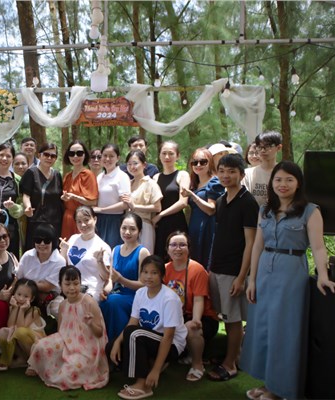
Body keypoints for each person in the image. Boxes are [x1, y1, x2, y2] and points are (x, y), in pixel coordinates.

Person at [241, 161, 335, 400]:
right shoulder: (265, 210)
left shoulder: (310, 211)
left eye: (289, 179)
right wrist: (252, 280)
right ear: (272, 183)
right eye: (278, 179)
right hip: (264, 272)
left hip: (291, 274)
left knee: (284, 330)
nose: (283, 184)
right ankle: (267, 383)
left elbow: (318, 247)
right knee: (263, 328)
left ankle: (280, 389)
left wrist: (323, 276)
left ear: (298, 183)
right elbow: (257, 246)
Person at [207, 154, 258, 382]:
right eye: (222, 171)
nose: (226, 175)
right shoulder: (221, 200)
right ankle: (234, 355)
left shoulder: (248, 203)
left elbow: (251, 243)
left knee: (233, 319)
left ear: (242, 174)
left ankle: (230, 365)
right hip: (217, 266)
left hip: (233, 270)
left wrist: (241, 276)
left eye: (231, 171)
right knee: (225, 316)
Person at [110, 255, 187, 400]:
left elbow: (169, 336)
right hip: (149, 338)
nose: (148, 276)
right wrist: (117, 342)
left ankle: (143, 384)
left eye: (154, 273)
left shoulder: (170, 298)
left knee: (134, 334)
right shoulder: (140, 293)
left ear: (162, 276)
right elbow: (133, 321)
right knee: (112, 346)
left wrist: (156, 371)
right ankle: (148, 364)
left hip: (172, 344)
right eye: (145, 272)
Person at [27, 266, 109, 391]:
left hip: (87, 348)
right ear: (60, 285)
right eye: (67, 284)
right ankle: (46, 365)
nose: (72, 288)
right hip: (67, 342)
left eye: (76, 283)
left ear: (80, 283)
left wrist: (91, 323)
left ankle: (64, 367)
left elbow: (99, 333)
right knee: (40, 346)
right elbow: (60, 332)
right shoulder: (63, 305)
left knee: (67, 375)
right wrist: (56, 347)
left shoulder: (89, 302)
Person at [164, 232, 219, 382]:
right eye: (173, 245)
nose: (178, 248)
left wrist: (196, 320)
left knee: (191, 327)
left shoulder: (197, 269)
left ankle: (197, 364)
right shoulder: (164, 269)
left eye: (182, 245)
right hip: (177, 316)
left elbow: (199, 300)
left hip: (202, 316)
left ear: (189, 249)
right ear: (167, 249)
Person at [100, 212, 150, 344]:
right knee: (103, 302)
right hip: (117, 293)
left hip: (135, 296)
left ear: (139, 231)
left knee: (114, 302)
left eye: (132, 229)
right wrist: (105, 291)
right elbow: (111, 279)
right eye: (124, 228)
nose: (127, 232)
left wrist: (122, 280)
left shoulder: (142, 252)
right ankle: (104, 344)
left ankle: (119, 344)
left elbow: (145, 284)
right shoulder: (115, 249)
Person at [181, 148, 224, 268]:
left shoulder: (214, 182)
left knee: (205, 264)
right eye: (195, 162)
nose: (198, 165)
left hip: (207, 228)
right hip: (193, 228)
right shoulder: (194, 183)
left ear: (210, 163)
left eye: (203, 162)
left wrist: (193, 196)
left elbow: (211, 209)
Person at [59, 206, 112, 302]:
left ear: (95, 219)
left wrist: (100, 261)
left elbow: (106, 277)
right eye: (79, 221)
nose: (83, 224)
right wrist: (63, 250)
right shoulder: (73, 239)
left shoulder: (102, 246)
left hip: (90, 290)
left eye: (86, 220)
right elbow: (64, 266)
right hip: (71, 288)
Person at [20, 143, 63, 252]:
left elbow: (60, 196)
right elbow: (26, 195)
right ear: (39, 155)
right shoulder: (31, 173)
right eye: (46, 154)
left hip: (54, 223)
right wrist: (28, 207)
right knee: (34, 253)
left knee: (53, 253)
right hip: (36, 221)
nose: (49, 158)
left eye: (53, 156)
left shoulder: (57, 175)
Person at [0, 278, 45, 371]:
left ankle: (32, 361)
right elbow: (10, 326)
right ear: (14, 294)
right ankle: (15, 359)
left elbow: (21, 327)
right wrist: (15, 308)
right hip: (21, 343)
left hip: (35, 342)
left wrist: (21, 310)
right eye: (19, 294)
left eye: (26, 296)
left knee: (20, 331)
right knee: (4, 331)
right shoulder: (13, 307)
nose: (21, 298)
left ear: (32, 298)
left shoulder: (34, 310)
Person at [17, 223, 66, 318]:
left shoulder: (60, 261)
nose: (42, 244)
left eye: (46, 241)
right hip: (24, 294)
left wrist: (27, 282)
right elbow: (18, 278)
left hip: (51, 297)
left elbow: (47, 287)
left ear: (53, 241)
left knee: (58, 310)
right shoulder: (27, 255)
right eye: (38, 240)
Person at [152, 141, 190, 260]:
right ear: (159, 155)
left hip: (176, 223)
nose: (167, 157)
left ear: (177, 156)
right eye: (164, 153)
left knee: (177, 257)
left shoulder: (182, 175)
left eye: (171, 153)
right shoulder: (155, 177)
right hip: (159, 225)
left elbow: (183, 202)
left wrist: (161, 215)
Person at [121, 150, 162, 253]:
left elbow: (157, 207)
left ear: (144, 165)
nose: (132, 167)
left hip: (144, 226)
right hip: (128, 227)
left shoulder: (150, 183)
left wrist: (135, 206)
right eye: (129, 164)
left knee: (144, 256)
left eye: (135, 163)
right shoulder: (128, 184)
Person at [94, 143, 130, 248]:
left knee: (111, 250)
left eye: (111, 156)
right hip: (99, 220)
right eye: (105, 155)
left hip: (114, 221)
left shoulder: (122, 176)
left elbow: (125, 204)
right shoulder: (99, 177)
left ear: (118, 158)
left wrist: (102, 209)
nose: (107, 159)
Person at [60, 140, 98, 239]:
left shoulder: (88, 175)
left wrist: (74, 197)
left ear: (85, 155)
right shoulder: (67, 176)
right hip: (67, 218)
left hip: (82, 220)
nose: (75, 156)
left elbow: (93, 201)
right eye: (72, 153)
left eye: (79, 153)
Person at [242, 131, 283, 206]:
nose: (263, 150)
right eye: (259, 147)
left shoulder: (285, 172)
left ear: (279, 147)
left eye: (267, 146)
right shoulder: (247, 174)